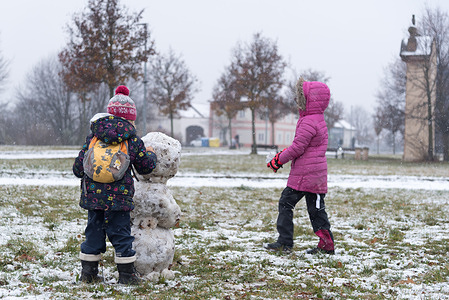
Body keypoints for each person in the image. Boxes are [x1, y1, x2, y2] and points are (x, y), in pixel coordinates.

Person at [73, 86, 157, 284]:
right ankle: (127, 276)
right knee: (121, 235)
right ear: (131, 118)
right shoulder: (131, 140)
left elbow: (78, 168)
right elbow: (146, 167)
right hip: (119, 198)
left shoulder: (94, 137)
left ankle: (88, 274)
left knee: (93, 233)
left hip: (93, 197)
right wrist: (150, 152)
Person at [265, 77, 334, 255]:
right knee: (315, 210)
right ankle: (322, 245)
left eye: (301, 97)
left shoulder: (309, 121)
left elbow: (297, 148)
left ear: (310, 100)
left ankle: (286, 241)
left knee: (289, 204)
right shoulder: (316, 119)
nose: (297, 101)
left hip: (307, 175)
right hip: (312, 174)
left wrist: (278, 160)